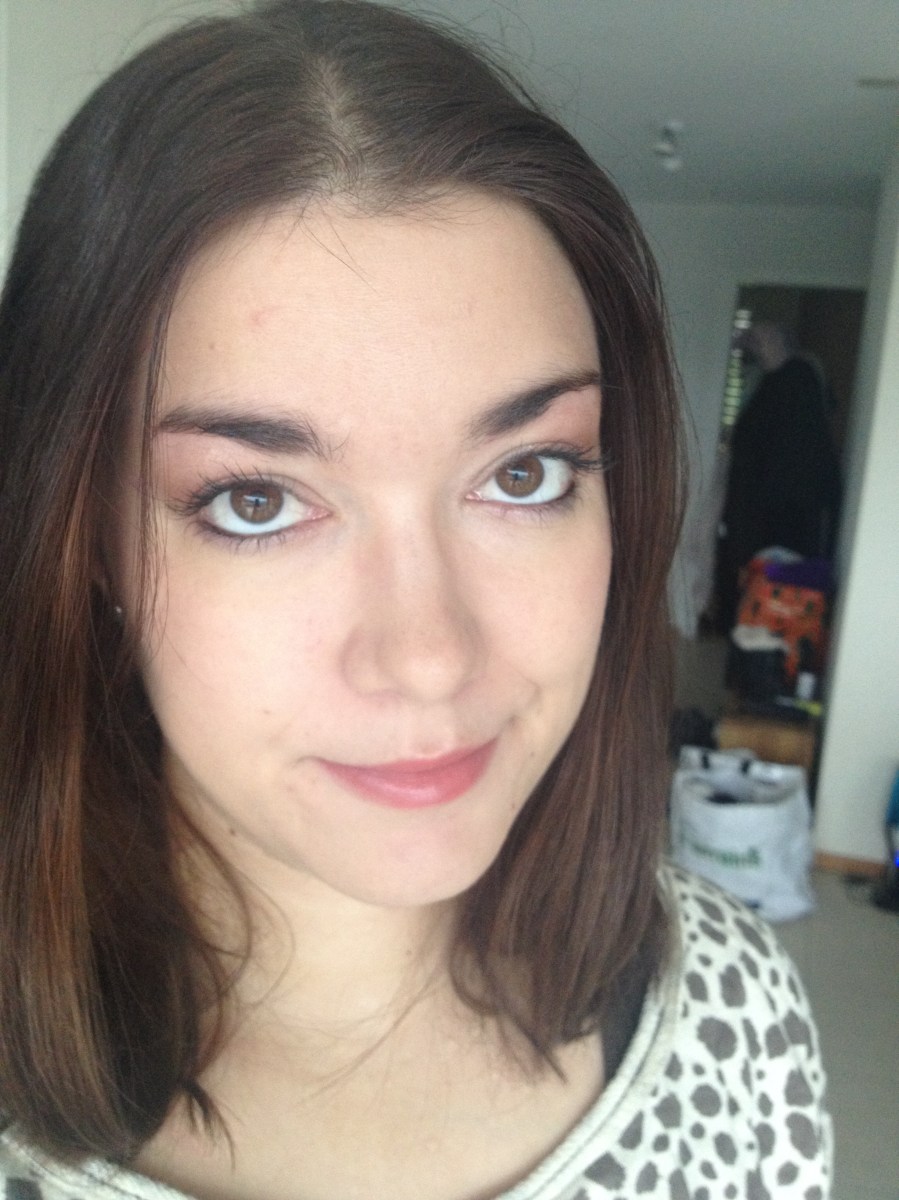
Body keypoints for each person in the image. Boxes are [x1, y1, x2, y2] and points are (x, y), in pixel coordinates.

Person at [0, 3, 831, 1197]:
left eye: (524, 474)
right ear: (84, 541)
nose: (429, 655)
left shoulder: (734, 1016)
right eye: (255, 502)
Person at [714, 321, 842, 632]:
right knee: (754, 572)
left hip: (779, 506)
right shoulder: (770, 381)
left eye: (763, 339)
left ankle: (758, 635)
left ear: (781, 343)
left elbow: (790, 451)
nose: (757, 346)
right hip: (765, 502)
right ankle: (744, 630)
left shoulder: (797, 377)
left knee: (773, 579)